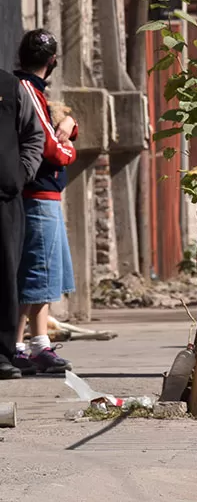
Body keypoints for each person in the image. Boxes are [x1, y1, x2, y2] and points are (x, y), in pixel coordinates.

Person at [14, 30, 78, 374]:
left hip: (42, 194)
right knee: (37, 271)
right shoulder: (28, 91)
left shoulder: (31, 90)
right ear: (52, 61)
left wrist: (68, 123)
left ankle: (34, 343)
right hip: (38, 195)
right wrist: (69, 146)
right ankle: (23, 345)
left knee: (45, 272)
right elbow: (50, 146)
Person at [0, 56, 44, 380]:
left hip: (5, 198)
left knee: (4, 276)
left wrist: (21, 173)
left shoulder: (9, 86)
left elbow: (34, 134)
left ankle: (2, 355)